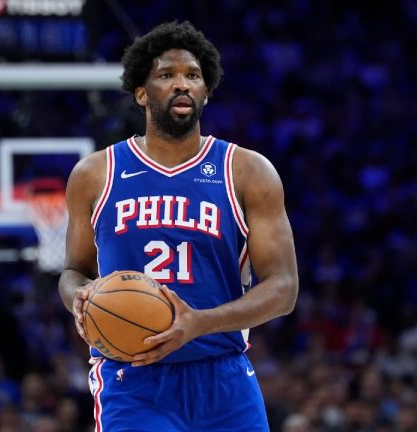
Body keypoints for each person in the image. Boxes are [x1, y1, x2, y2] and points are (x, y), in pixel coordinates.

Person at [58, 20, 299, 431]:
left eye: (193, 76)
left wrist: (200, 322)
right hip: (133, 380)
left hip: (222, 376)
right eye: (166, 75)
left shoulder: (247, 171)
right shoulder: (95, 174)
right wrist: (79, 297)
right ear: (141, 93)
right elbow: (73, 271)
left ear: (206, 91)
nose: (182, 84)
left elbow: (284, 289)